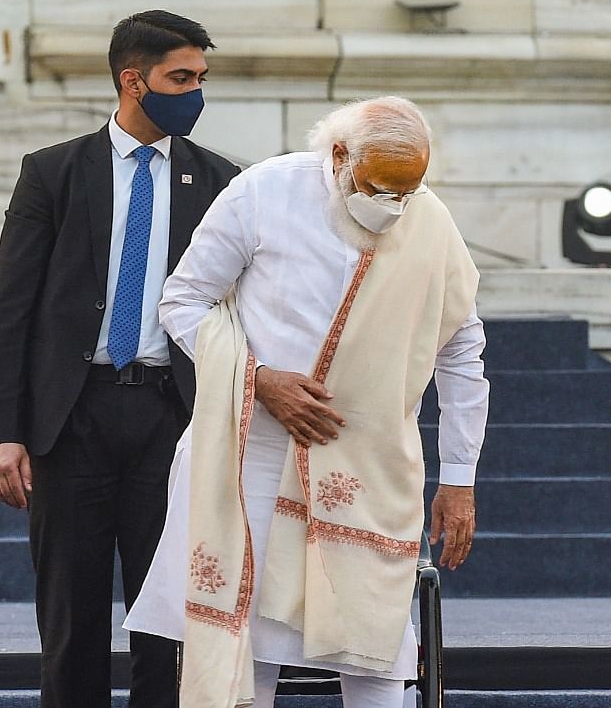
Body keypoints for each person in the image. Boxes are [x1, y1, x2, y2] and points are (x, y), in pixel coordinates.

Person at [123, 96, 488, 708]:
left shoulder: (428, 221)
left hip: (370, 465)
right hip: (256, 455)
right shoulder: (265, 192)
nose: (394, 207)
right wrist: (260, 380)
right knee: (250, 650)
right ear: (339, 155)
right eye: (380, 189)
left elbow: (460, 350)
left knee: (375, 649)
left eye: (408, 191)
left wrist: (460, 478)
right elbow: (182, 301)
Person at [0, 11, 238, 708]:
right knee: (72, 618)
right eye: (180, 77)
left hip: (172, 419)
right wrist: (1, 431)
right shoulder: (54, 174)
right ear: (134, 80)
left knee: (171, 624)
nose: (194, 92)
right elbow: (10, 311)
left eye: (200, 78)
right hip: (72, 421)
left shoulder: (221, 181)